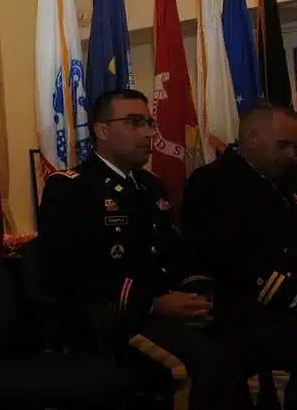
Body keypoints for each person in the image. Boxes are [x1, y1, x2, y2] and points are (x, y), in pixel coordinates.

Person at [38, 89, 253, 410]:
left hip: (164, 311)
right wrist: (152, 304)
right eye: (135, 122)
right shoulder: (71, 189)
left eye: (150, 123)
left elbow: (176, 252)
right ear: (101, 131)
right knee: (206, 364)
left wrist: (197, 295)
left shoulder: (150, 186)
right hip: (114, 321)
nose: (151, 133)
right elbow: (71, 274)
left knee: (239, 341)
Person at [182, 102, 297, 408]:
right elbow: (225, 259)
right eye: (283, 145)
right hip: (240, 307)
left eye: (294, 146)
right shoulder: (213, 183)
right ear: (251, 138)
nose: (291, 154)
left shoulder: (283, 179)